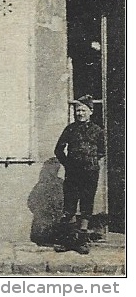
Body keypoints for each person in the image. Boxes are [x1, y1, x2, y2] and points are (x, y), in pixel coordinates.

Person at [53, 95, 106, 254]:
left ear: (90, 111)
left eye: (83, 110)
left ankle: (82, 242)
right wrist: (68, 164)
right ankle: (68, 241)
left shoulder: (98, 131)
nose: (80, 113)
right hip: (72, 174)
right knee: (69, 206)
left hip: (90, 174)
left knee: (86, 206)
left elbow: (102, 152)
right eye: (78, 110)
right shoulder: (70, 129)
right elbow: (58, 150)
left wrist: (92, 164)